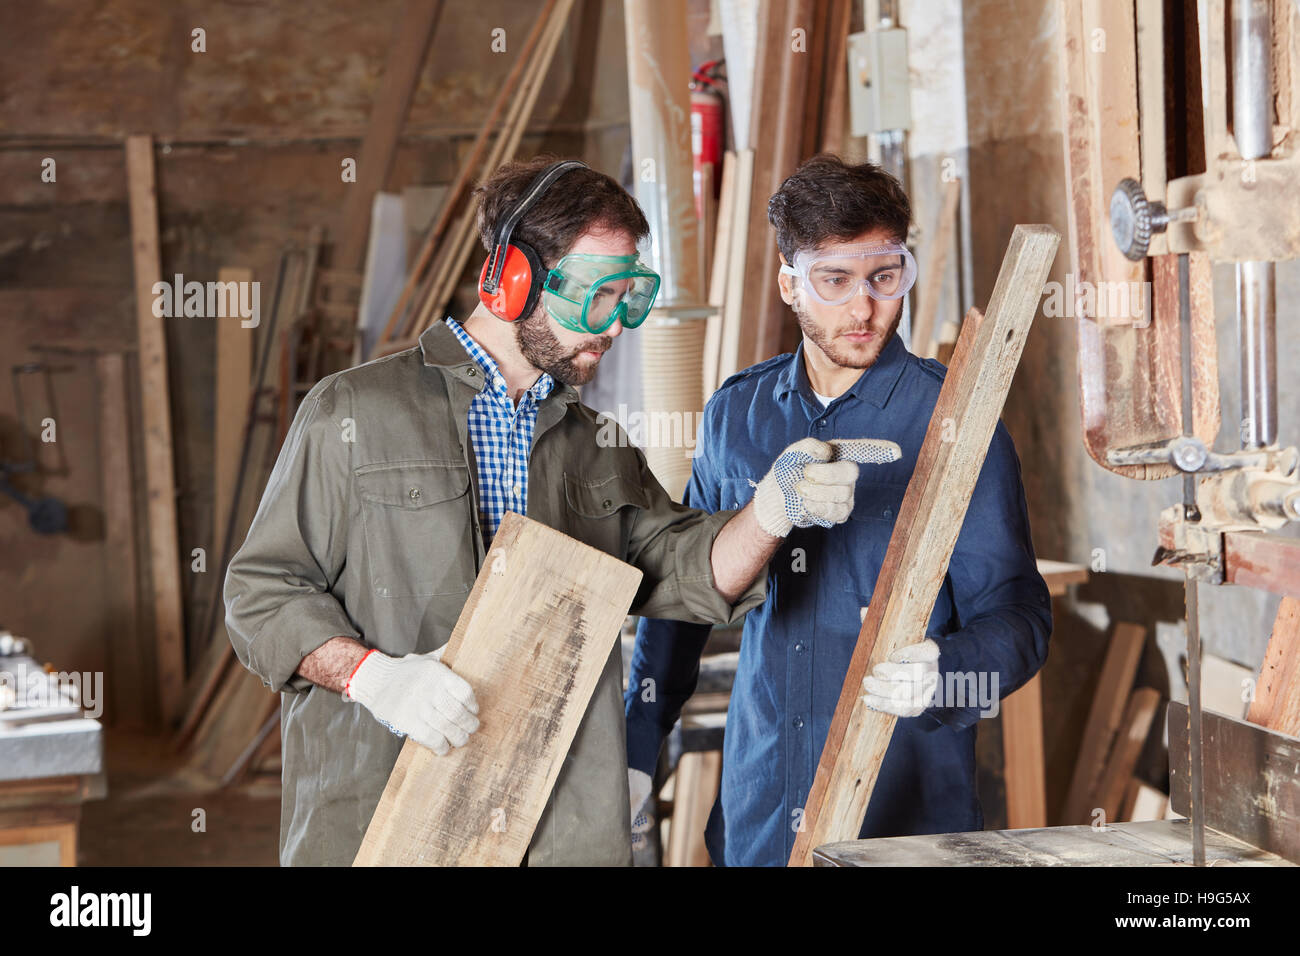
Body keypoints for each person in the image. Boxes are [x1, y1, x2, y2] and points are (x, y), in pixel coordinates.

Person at [224, 157, 891, 866]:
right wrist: (373, 678)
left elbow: (687, 571)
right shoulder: (355, 411)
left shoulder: (596, 446)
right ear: (511, 279)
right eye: (594, 297)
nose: (613, 327)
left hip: (554, 832)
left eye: (629, 298)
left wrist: (772, 508)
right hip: (386, 821)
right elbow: (261, 592)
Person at [626, 154, 1052, 866]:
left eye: (885, 278)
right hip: (761, 810)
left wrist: (946, 668)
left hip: (907, 819)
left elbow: (1020, 614)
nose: (864, 309)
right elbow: (682, 599)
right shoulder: (739, 413)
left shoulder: (955, 417)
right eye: (836, 281)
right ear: (791, 283)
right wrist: (639, 746)